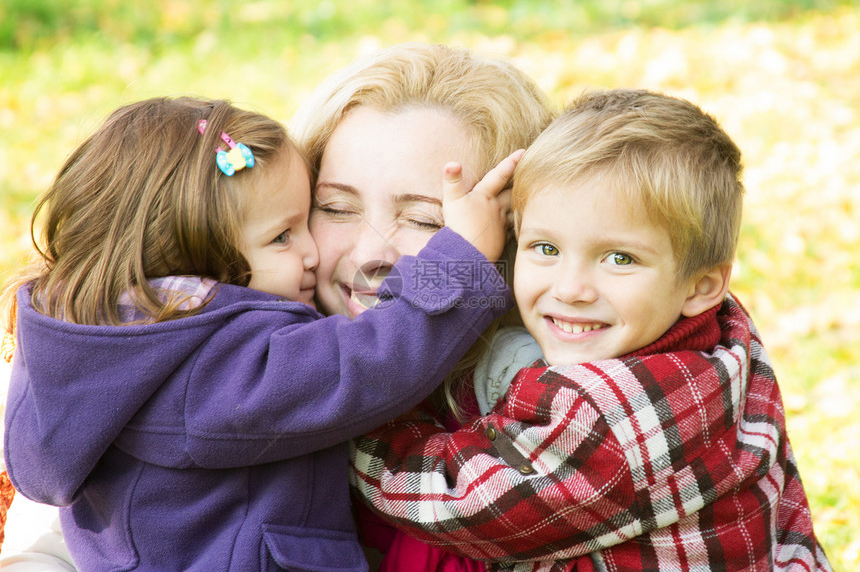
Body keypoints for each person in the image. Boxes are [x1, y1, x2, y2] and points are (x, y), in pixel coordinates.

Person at [2, 95, 521, 572]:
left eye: (305, 222)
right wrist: (461, 259)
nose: (312, 254)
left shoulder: (111, 342)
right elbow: (366, 363)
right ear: (198, 252)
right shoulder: (209, 362)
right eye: (282, 236)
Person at [350, 90, 833, 571]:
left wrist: (360, 416)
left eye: (619, 259)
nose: (571, 288)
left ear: (701, 285)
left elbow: (453, 502)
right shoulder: (731, 335)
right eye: (545, 248)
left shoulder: (608, 415)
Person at [290, 42, 555, 570]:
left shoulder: (547, 409)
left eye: (427, 221)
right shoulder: (244, 368)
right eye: (336, 208)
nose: (370, 254)